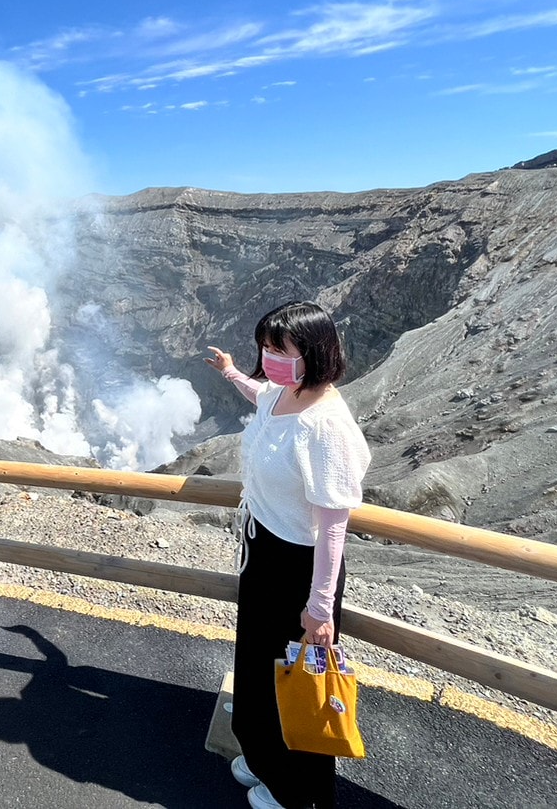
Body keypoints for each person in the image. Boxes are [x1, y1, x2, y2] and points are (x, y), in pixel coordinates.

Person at [205, 301, 370, 809]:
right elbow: (263, 397)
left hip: (301, 567)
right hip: (262, 550)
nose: (268, 356)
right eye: (266, 346)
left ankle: (299, 795)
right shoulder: (283, 392)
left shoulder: (327, 427)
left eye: (280, 349)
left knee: (298, 681)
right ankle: (263, 760)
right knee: (256, 667)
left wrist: (320, 608)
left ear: (315, 353)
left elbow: (333, 526)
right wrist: (233, 372)